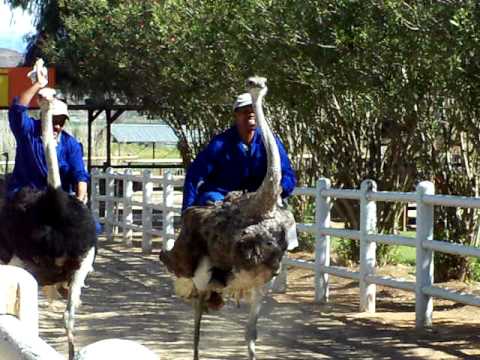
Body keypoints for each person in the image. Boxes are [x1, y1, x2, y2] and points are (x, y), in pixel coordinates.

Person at [182, 92, 296, 211]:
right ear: (236, 115)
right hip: (222, 198)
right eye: (245, 111)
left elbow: (288, 175)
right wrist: (187, 211)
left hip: (258, 200)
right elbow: (193, 176)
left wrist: (278, 190)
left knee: (284, 220)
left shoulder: (270, 142)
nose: (251, 114)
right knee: (217, 210)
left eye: (254, 111)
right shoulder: (220, 144)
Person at [6, 63, 89, 204]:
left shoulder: (70, 143)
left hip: (59, 199)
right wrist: (38, 84)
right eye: (54, 120)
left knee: (92, 225)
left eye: (62, 121)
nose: (57, 126)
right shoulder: (29, 131)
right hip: (26, 197)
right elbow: (18, 109)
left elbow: (79, 173)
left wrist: (80, 198)